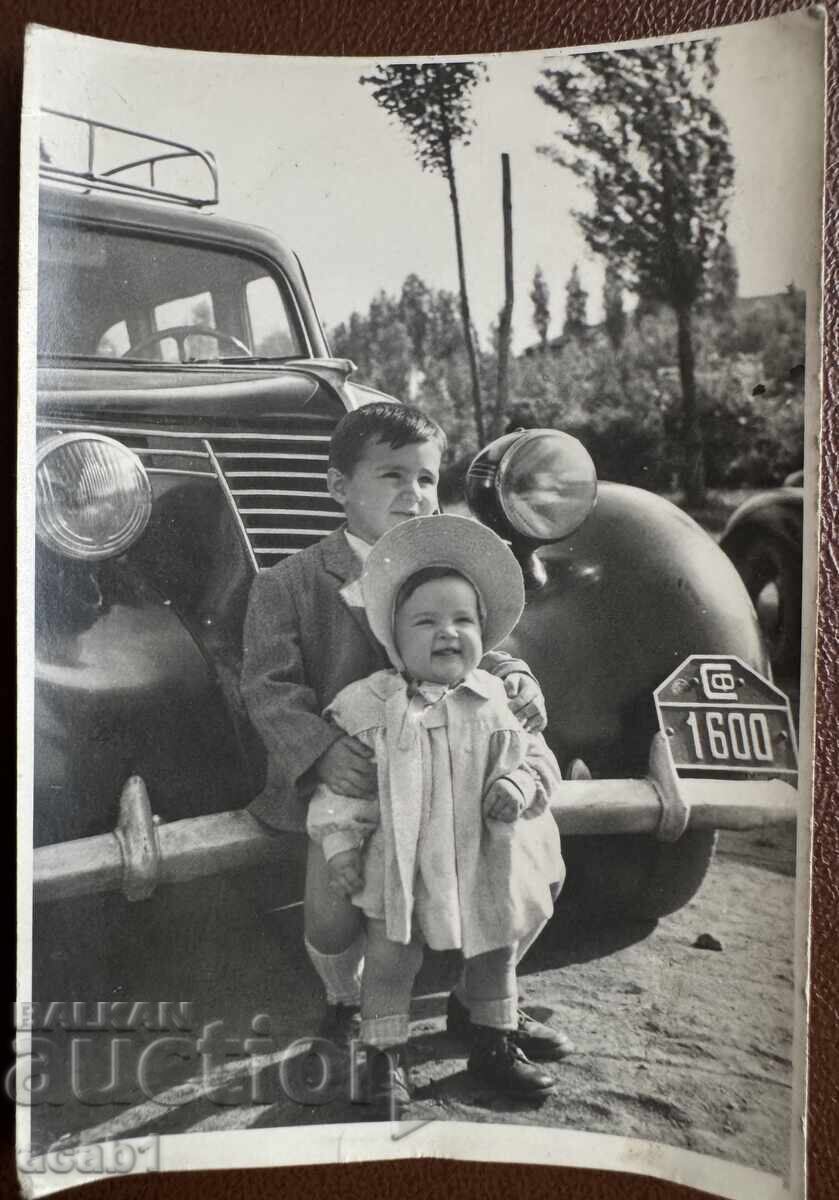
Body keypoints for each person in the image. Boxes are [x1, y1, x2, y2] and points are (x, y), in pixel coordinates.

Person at [241, 402, 570, 1062]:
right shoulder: (290, 582)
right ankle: (344, 1001)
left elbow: (480, 635)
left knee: (530, 878)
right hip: (357, 778)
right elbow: (268, 688)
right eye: (391, 476)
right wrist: (323, 751)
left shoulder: (449, 562)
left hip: (454, 765)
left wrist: (514, 673)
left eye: (425, 479)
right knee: (333, 917)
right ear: (339, 488)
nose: (413, 494)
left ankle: (483, 1006)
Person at [306, 514, 566, 1113]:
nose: (447, 633)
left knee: (496, 948)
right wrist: (342, 847)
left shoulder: (499, 700)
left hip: (484, 862)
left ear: (485, 631)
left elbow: (541, 761)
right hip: (402, 869)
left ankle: (492, 1040)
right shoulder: (371, 706)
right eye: (425, 621)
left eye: (463, 620)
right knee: (392, 960)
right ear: (394, 637)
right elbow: (343, 794)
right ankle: (384, 1057)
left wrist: (520, 783)